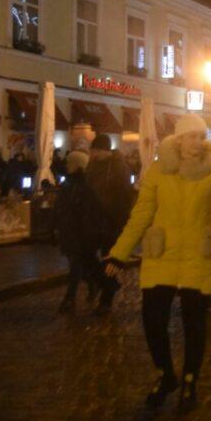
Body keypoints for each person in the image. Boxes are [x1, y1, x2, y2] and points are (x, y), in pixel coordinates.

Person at [104, 114, 211, 414]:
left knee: (194, 324)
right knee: (152, 320)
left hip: (198, 257)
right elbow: (141, 215)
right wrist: (119, 253)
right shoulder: (159, 171)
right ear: (178, 140)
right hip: (162, 254)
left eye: (202, 136)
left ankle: (189, 380)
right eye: (192, 136)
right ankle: (165, 374)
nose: (198, 143)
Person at [87, 133, 136, 315]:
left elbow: (124, 196)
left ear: (105, 151)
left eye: (96, 151)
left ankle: (106, 299)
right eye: (92, 151)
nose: (93, 154)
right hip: (93, 220)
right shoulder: (91, 166)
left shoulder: (118, 167)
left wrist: (120, 221)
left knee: (109, 260)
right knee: (87, 256)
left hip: (111, 221)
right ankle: (109, 284)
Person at [53, 151, 105, 315]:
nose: (67, 165)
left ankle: (69, 298)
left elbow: (91, 212)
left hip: (80, 235)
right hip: (69, 232)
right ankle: (92, 284)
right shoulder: (68, 185)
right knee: (78, 264)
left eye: (70, 162)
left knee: (75, 266)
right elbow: (59, 208)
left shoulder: (87, 187)